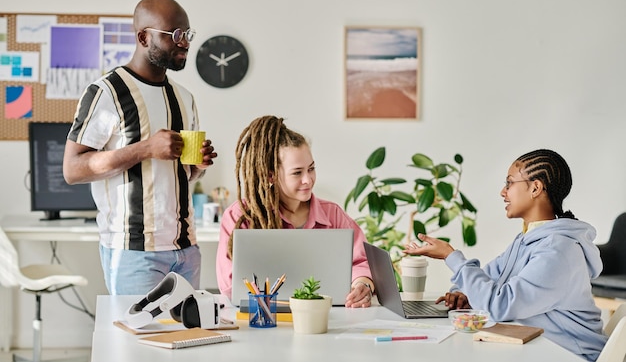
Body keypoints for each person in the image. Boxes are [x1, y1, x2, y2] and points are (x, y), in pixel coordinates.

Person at [63, 0, 217, 295]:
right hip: (134, 253)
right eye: (174, 34)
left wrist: (197, 168)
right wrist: (146, 148)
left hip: (187, 250)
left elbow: (181, 176)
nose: (184, 42)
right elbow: (72, 169)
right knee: (137, 342)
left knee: (185, 340)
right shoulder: (106, 93)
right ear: (144, 37)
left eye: (187, 34)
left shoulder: (185, 98)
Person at [403, 149, 607, 361]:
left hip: (571, 355)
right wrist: (464, 294)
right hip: (538, 348)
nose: (503, 191)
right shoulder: (527, 240)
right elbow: (490, 277)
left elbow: (500, 305)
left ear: (535, 187)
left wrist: (451, 256)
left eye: (509, 183)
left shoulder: (559, 251)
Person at [215, 115, 374, 308]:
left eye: (311, 168)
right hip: (264, 319)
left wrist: (362, 284)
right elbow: (230, 285)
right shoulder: (240, 216)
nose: (308, 179)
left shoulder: (333, 214)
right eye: (297, 173)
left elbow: (362, 262)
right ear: (271, 175)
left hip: (326, 318)